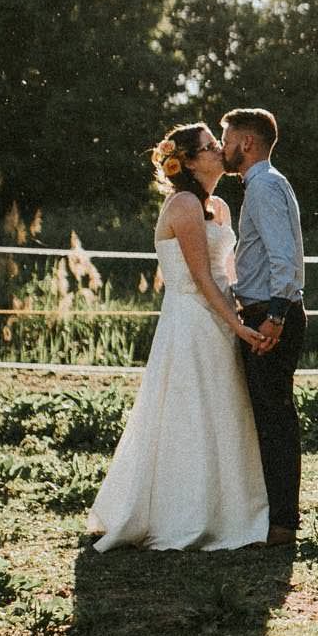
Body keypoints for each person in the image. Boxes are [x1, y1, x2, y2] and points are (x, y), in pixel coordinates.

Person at [85, 124, 272, 551]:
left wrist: (253, 309)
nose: (218, 151)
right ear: (187, 161)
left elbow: (230, 271)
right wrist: (238, 325)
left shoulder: (219, 206)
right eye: (209, 147)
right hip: (192, 319)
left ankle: (230, 508)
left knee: (224, 409)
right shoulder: (184, 204)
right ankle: (185, 513)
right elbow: (200, 277)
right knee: (190, 413)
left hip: (220, 314)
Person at [221, 106, 306, 545]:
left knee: (275, 420)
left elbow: (283, 258)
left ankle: (283, 524)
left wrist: (274, 316)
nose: (223, 147)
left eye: (227, 137)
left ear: (246, 143)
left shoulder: (264, 187)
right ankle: (273, 518)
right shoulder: (264, 185)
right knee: (269, 417)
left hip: (271, 316)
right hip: (264, 312)